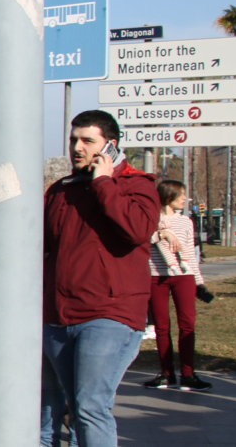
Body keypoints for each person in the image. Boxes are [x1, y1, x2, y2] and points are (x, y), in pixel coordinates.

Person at [42, 110, 159, 447]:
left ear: (110, 146)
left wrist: (104, 183)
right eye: (73, 140)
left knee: (90, 407)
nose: (77, 147)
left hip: (109, 316)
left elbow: (138, 229)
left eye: (87, 141)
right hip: (58, 318)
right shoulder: (61, 190)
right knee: (54, 409)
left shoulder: (137, 184)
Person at [142, 180, 212, 392]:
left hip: (184, 277)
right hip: (157, 277)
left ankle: (188, 374)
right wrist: (161, 234)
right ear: (168, 196)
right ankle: (167, 374)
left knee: (187, 325)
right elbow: (142, 241)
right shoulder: (151, 217)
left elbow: (190, 254)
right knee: (162, 327)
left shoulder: (186, 222)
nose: (185, 198)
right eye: (181, 194)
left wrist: (199, 282)